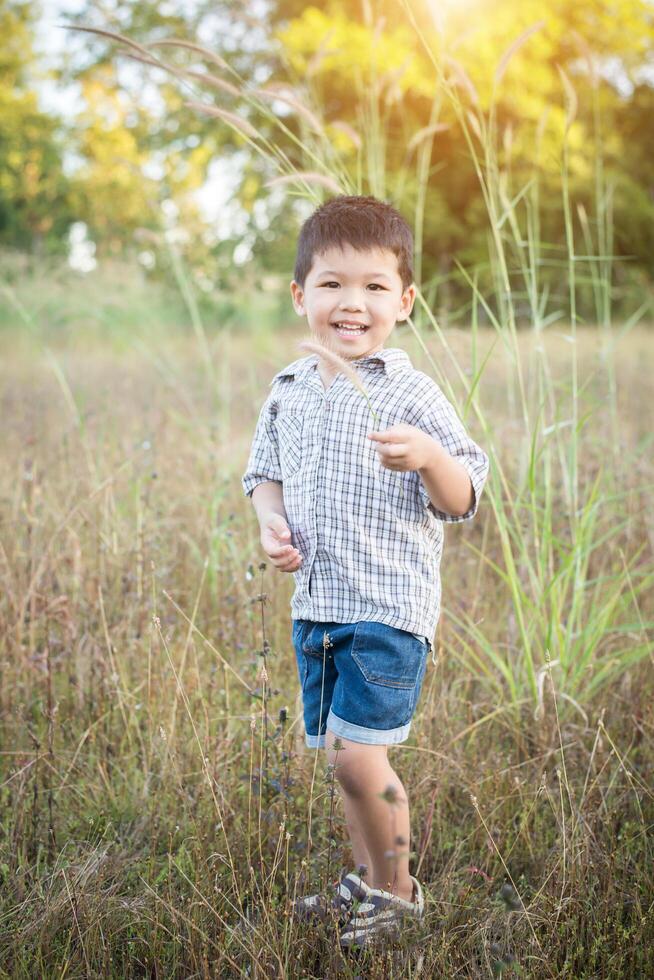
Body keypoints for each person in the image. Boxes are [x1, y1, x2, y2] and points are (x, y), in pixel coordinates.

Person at [241, 195, 489, 949]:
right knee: (343, 759)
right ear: (301, 295)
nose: (353, 303)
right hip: (317, 604)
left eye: (375, 287)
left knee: (358, 754)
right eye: (332, 284)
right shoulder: (288, 387)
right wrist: (270, 522)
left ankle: (401, 895)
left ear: (404, 302)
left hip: (388, 607)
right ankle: (368, 880)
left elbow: (466, 492)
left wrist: (430, 457)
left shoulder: (407, 389)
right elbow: (264, 473)